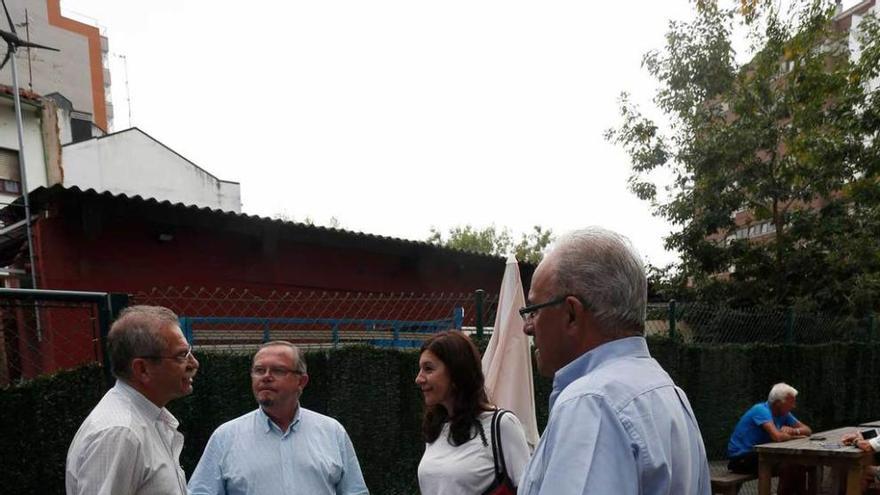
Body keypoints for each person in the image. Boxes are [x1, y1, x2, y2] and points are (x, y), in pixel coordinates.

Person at [517, 227, 711, 494]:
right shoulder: (669, 394)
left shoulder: (592, 403)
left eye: (533, 311)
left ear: (571, 314)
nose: (527, 327)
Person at [188, 341, 368, 495]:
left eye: (278, 370)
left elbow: (355, 491)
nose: (266, 377)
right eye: (259, 370)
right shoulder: (226, 437)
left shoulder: (332, 432)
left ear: (301, 381)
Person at [66, 305, 199, 495]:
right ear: (142, 369)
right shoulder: (120, 433)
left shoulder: (146, 419)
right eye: (181, 355)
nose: (193, 363)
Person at [416, 330, 531, 494]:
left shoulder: (501, 425)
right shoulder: (436, 427)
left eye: (428, 369)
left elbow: (529, 489)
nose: (418, 378)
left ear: (456, 372)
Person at [727, 383, 812, 475]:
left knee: (798, 464)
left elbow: (808, 430)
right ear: (778, 403)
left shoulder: (784, 413)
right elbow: (777, 437)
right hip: (741, 457)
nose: (793, 406)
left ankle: (792, 490)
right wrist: (794, 436)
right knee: (790, 465)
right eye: (791, 403)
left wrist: (794, 430)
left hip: (760, 455)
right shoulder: (761, 410)